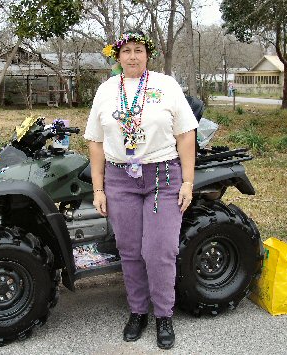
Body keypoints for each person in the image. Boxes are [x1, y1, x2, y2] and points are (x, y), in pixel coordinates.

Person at [84, 31, 198, 350]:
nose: (133, 56)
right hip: (120, 178)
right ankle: (138, 311)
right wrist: (99, 188)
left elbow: (187, 134)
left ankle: (163, 315)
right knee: (130, 249)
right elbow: (95, 140)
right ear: (117, 56)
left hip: (162, 175)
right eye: (127, 51)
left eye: (139, 50)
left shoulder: (165, 86)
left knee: (159, 250)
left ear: (148, 54)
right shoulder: (106, 90)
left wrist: (187, 181)